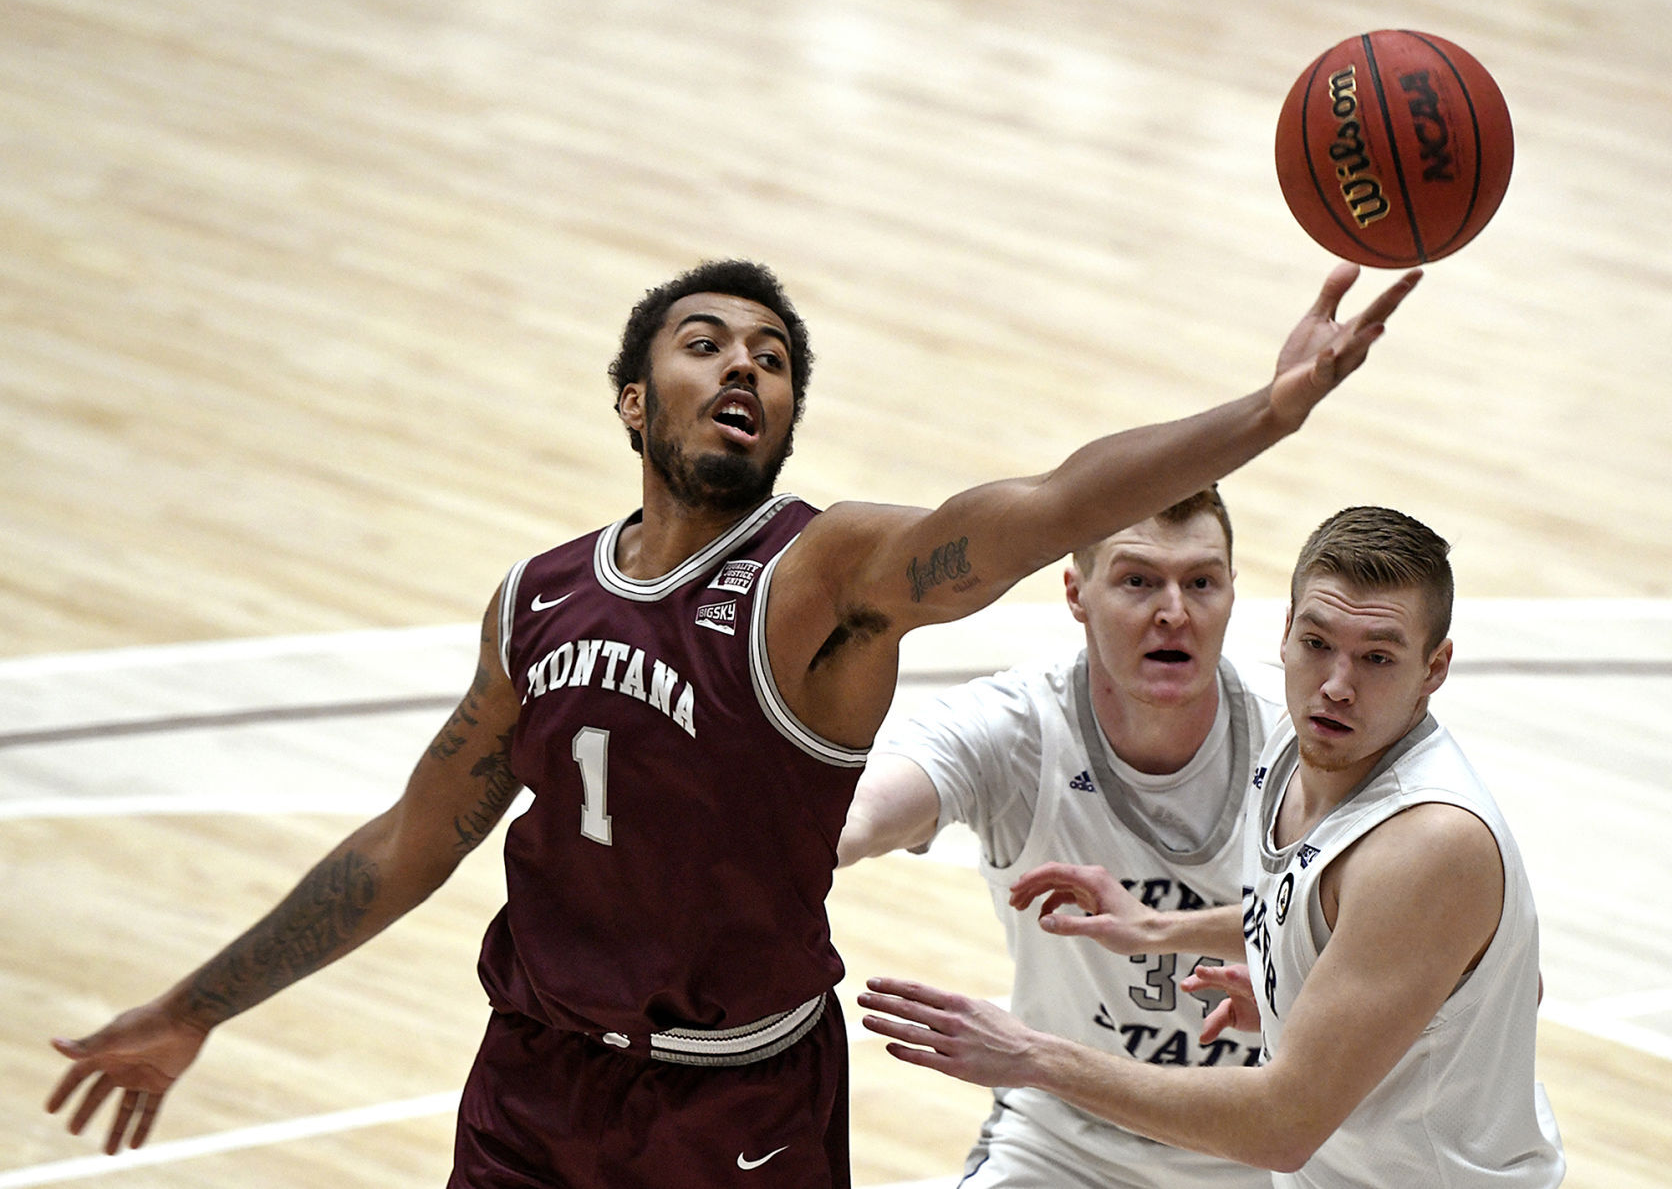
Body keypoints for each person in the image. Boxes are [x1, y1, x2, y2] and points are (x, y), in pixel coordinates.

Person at [44, 259, 1420, 1188]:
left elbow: (1051, 504)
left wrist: (1269, 411)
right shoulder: (535, 600)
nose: (743, 367)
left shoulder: (827, 579)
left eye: (771, 357)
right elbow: (414, 837)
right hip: (529, 1085)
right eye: (705, 344)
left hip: (735, 1107)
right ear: (636, 400)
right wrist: (193, 1006)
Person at [859, 506, 1565, 1188]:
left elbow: (1282, 1125)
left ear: (1435, 669)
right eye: (1318, 644)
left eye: (1377, 657)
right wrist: (1162, 930)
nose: (1338, 685)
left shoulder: (1430, 839)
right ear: (1287, 631)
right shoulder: (1298, 742)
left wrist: (1030, 1055)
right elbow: (1349, 927)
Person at [838, 484, 1284, 1188]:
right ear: (1076, 592)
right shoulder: (1016, 727)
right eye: (1138, 580)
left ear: (1233, 592)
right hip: (1064, 1145)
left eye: (1201, 581)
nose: (1174, 611)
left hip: (1265, 1145)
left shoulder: (1299, 740)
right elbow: (858, 814)